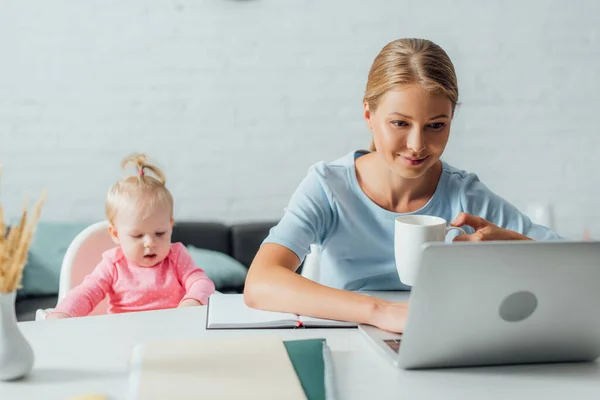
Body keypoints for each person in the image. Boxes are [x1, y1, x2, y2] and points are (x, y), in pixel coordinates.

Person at [243, 38, 560, 333]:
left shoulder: (465, 194)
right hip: (348, 340)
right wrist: (381, 312)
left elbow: (579, 266)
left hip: (439, 337)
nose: (417, 145)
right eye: (400, 123)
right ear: (369, 115)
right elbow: (260, 283)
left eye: (436, 125)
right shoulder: (328, 186)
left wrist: (519, 250)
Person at [47, 154, 215, 319]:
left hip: (170, 335)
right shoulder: (113, 264)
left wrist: (192, 301)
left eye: (160, 233)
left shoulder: (176, 256)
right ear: (115, 234)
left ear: (170, 226)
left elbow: (201, 282)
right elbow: (87, 293)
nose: (150, 243)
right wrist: (63, 313)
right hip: (124, 336)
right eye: (137, 235)